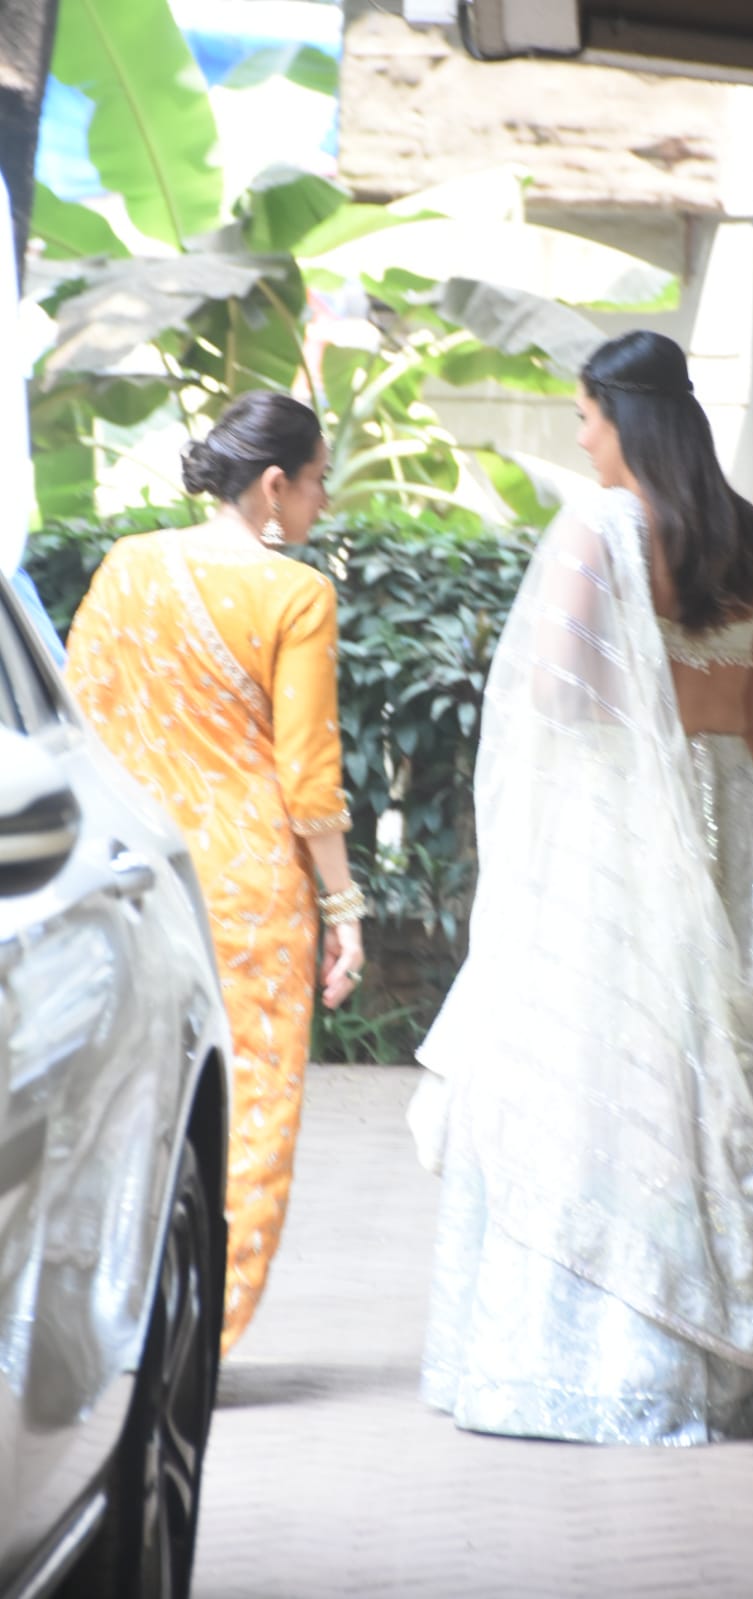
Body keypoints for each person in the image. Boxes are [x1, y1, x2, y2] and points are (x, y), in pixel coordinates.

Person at [409, 331, 753, 1445]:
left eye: (583, 416)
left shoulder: (600, 529)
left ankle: (618, 1355)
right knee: (724, 1085)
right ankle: (743, 1371)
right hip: (728, 829)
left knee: (612, 1082)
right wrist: (732, 853)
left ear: (624, 418)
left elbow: (558, 704)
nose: (579, 437)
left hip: (618, 829)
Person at [65, 391, 365, 1356]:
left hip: (134, 880)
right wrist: (346, 905)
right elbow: (309, 779)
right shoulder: (295, 595)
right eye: (318, 483)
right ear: (274, 485)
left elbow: (81, 724)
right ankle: (196, 1333)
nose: (322, 503)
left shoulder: (127, 568)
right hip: (247, 898)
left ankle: (111, 1320)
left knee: (128, 1099)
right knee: (246, 1113)